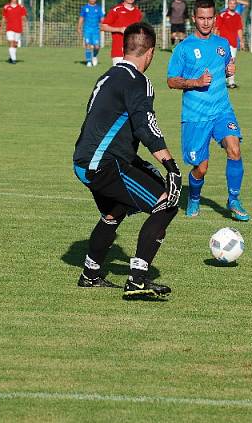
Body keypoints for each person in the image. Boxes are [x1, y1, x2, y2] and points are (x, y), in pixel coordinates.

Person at [73, 22, 181, 300]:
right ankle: (136, 281)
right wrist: (170, 166)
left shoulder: (107, 76)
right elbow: (145, 125)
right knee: (167, 202)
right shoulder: (138, 81)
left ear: (124, 48)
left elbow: (108, 124)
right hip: (104, 164)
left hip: (85, 161)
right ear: (151, 52)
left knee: (115, 210)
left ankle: (90, 274)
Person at [167, 0, 249, 222]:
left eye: (209, 18)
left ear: (215, 18)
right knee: (200, 169)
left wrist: (230, 68)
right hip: (195, 116)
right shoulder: (183, 48)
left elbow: (223, 69)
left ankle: (234, 199)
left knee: (234, 149)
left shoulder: (222, 44)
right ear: (194, 18)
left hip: (222, 110)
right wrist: (195, 82)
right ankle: (194, 198)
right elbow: (171, 81)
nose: (205, 22)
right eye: (201, 18)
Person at [100, 0, 143, 66]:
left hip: (134, 52)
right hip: (119, 52)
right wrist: (119, 29)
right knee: (120, 77)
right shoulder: (116, 10)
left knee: (133, 77)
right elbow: (103, 26)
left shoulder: (138, 12)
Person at [216, 0, 244, 89]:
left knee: (232, 62)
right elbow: (217, 28)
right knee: (222, 62)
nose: (232, 5)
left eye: (234, 3)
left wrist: (242, 41)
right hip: (223, 43)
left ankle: (231, 82)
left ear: (236, 5)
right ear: (228, 4)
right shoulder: (222, 14)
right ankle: (220, 81)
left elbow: (239, 29)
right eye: (230, 3)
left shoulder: (237, 16)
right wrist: (214, 39)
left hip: (233, 43)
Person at [77, 0, 104, 66]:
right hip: (87, 29)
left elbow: (102, 18)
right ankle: (88, 61)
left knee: (97, 46)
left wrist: (103, 25)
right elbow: (81, 18)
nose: (93, 0)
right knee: (87, 44)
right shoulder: (85, 8)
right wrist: (78, 27)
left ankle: (94, 56)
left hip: (96, 30)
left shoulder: (98, 8)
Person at [0, 0, 26, 65]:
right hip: (9, 28)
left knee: (15, 44)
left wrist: (25, 26)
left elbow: (23, 17)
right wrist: (1, 27)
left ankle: (11, 57)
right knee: (11, 42)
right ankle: (14, 60)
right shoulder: (6, 7)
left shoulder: (21, 7)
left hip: (18, 28)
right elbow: (4, 18)